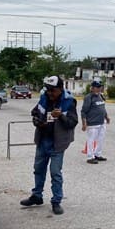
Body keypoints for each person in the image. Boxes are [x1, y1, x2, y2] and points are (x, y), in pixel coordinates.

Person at [20, 76, 78, 215]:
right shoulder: (44, 98)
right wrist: (37, 121)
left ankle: (56, 201)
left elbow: (72, 123)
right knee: (38, 169)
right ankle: (37, 196)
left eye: (53, 91)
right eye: (48, 90)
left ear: (60, 89)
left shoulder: (69, 102)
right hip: (43, 140)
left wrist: (61, 116)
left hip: (58, 143)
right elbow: (34, 113)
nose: (50, 93)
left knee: (55, 173)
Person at [81, 80, 110, 164]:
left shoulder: (100, 96)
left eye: (100, 87)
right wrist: (84, 123)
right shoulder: (88, 97)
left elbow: (102, 108)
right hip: (93, 123)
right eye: (97, 87)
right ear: (92, 88)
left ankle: (98, 154)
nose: (99, 89)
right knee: (91, 140)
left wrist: (106, 116)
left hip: (101, 122)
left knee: (101, 139)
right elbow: (83, 111)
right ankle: (90, 156)